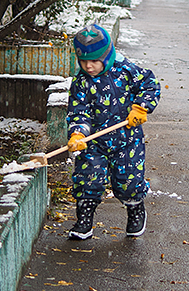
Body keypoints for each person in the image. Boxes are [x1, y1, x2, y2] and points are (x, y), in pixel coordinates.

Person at [66, 23, 160, 240]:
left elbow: (150, 84)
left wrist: (141, 107)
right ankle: (84, 219)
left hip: (126, 139)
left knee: (128, 181)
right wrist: (79, 133)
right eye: (83, 61)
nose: (89, 66)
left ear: (107, 56)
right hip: (94, 142)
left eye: (94, 61)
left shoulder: (125, 70)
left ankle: (136, 209)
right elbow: (79, 110)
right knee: (88, 178)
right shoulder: (81, 82)